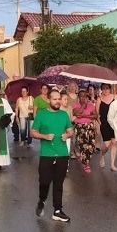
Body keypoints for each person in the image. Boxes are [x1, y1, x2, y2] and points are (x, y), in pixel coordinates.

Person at [31, 89, 74, 222]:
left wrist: (67, 135)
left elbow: (71, 131)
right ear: (49, 100)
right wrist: (44, 136)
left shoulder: (64, 115)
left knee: (58, 183)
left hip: (62, 154)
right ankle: (42, 200)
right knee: (44, 181)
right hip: (47, 154)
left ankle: (57, 210)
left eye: (59, 99)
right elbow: (33, 132)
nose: (57, 101)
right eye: (54, 99)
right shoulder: (42, 115)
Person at [72, 90, 98, 174]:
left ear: (87, 97)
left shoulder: (91, 106)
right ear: (78, 97)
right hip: (80, 126)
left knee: (92, 146)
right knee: (83, 145)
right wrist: (84, 105)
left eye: (84, 96)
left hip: (89, 126)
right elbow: (77, 113)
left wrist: (84, 115)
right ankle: (85, 163)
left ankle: (85, 159)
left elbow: (95, 116)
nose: (83, 98)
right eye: (81, 96)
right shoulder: (76, 105)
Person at [96, 83, 117, 171]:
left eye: (107, 88)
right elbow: (97, 113)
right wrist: (99, 122)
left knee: (114, 142)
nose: (105, 90)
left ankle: (112, 164)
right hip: (104, 123)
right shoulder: (99, 99)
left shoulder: (115, 97)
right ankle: (103, 155)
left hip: (114, 123)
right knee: (107, 144)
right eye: (103, 88)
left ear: (110, 89)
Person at [66, 80, 79, 158]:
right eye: (70, 86)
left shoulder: (78, 96)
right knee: (71, 136)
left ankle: (77, 150)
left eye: (74, 86)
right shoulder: (66, 96)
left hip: (78, 117)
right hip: (69, 118)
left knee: (77, 136)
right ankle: (71, 152)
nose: (72, 88)